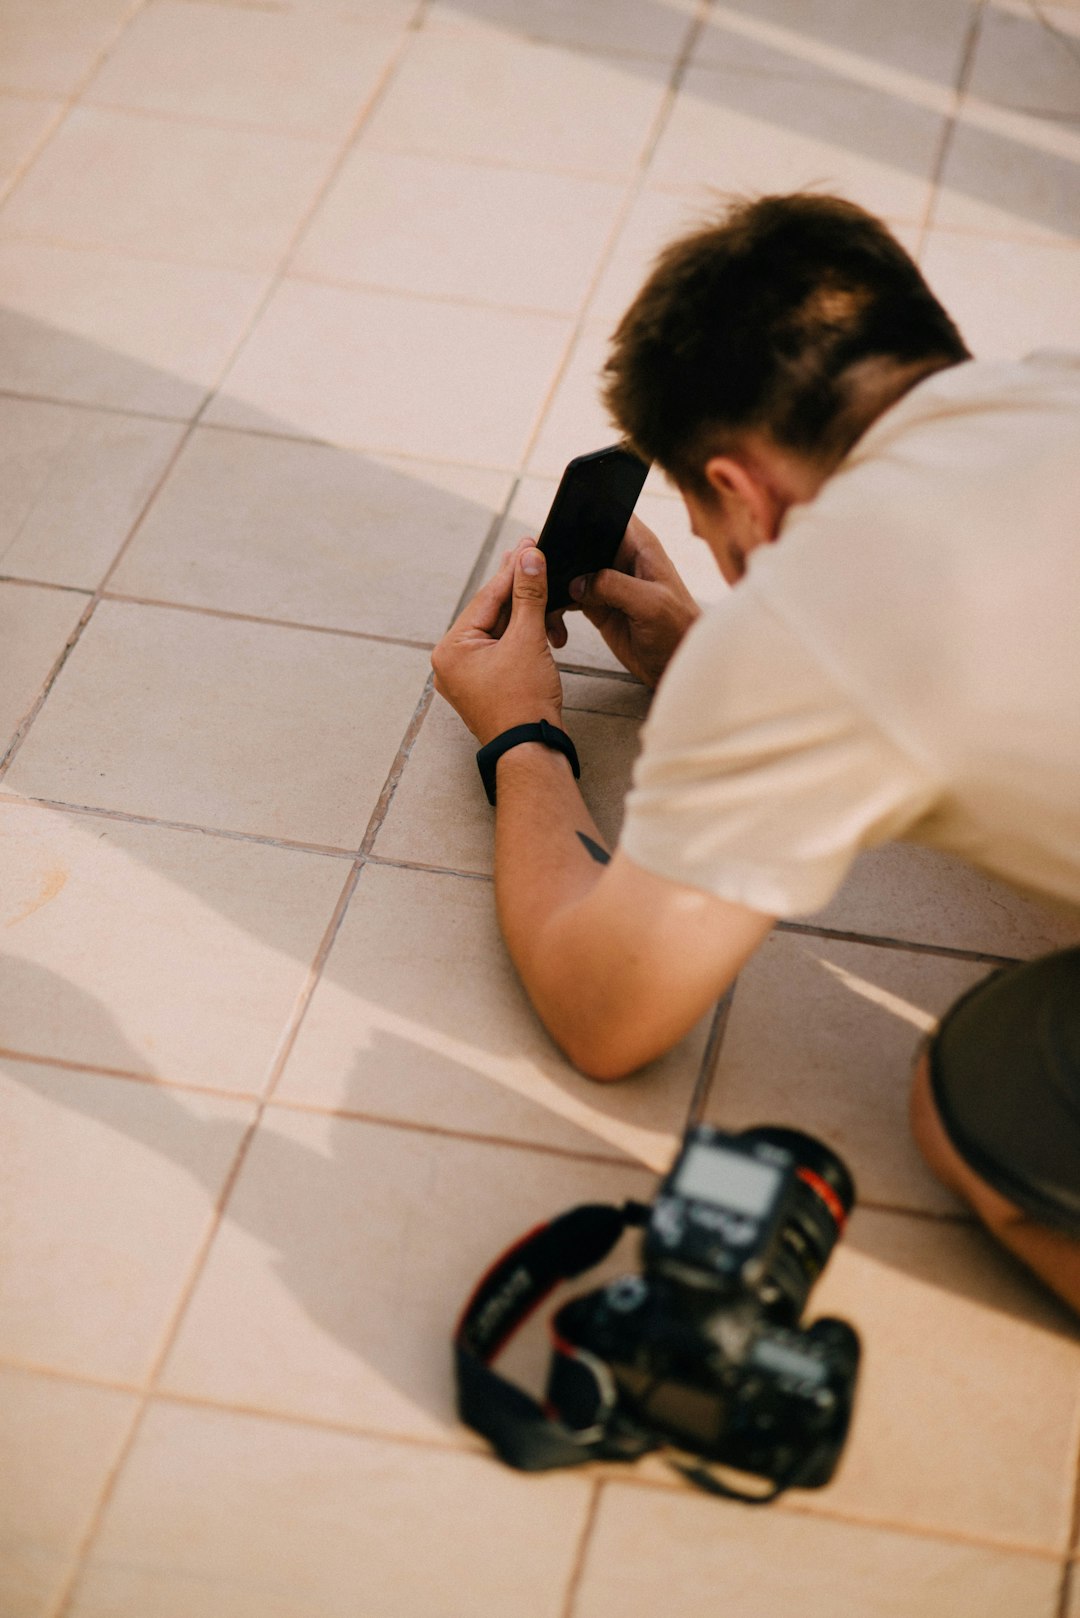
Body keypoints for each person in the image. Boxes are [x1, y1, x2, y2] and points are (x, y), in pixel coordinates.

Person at [431, 192, 1080, 1315]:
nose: (734, 572)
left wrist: (522, 734)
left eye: (714, 534)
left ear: (738, 486)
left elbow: (607, 1015)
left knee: (977, 1096)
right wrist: (707, 666)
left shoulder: (819, 613)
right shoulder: (1048, 385)